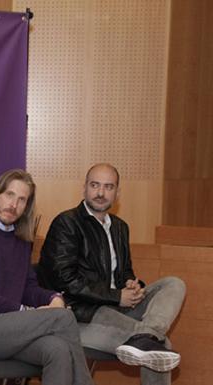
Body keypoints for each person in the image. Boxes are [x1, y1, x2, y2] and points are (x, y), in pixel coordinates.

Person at [38, 163, 186, 385]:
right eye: (95, 185)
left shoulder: (120, 227)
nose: (100, 193)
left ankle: (146, 335)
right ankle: (148, 339)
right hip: (81, 314)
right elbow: (65, 280)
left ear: (117, 193)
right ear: (84, 188)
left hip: (117, 308)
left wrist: (131, 283)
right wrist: (117, 296)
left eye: (108, 187)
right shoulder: (67, 223)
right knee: (161, 347)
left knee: (173, 283)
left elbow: (124, 271)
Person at [0, 169, 93, 385]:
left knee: (57, 349)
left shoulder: (21, 239)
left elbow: (27, 287)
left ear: (27, 207)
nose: (13, 204)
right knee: (63, 317)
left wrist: (52, 298)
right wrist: (24, 311)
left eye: (22, 200)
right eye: (9, 195)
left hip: (7, 328)